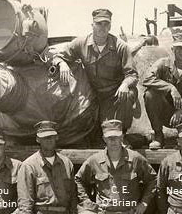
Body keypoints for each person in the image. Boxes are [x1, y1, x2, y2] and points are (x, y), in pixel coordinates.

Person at [55, 8, 139, 138]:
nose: (102, 27)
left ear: (110, 26)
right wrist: (62, 64)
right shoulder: (81, 43)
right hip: (91, 95)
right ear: (92, 25)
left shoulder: (120, 46)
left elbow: (132, 74)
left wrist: (125, 85)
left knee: (128, 95)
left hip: (114, 95)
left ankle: (122, 134)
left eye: (106, 24)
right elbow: (58, 56)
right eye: (99, 23)